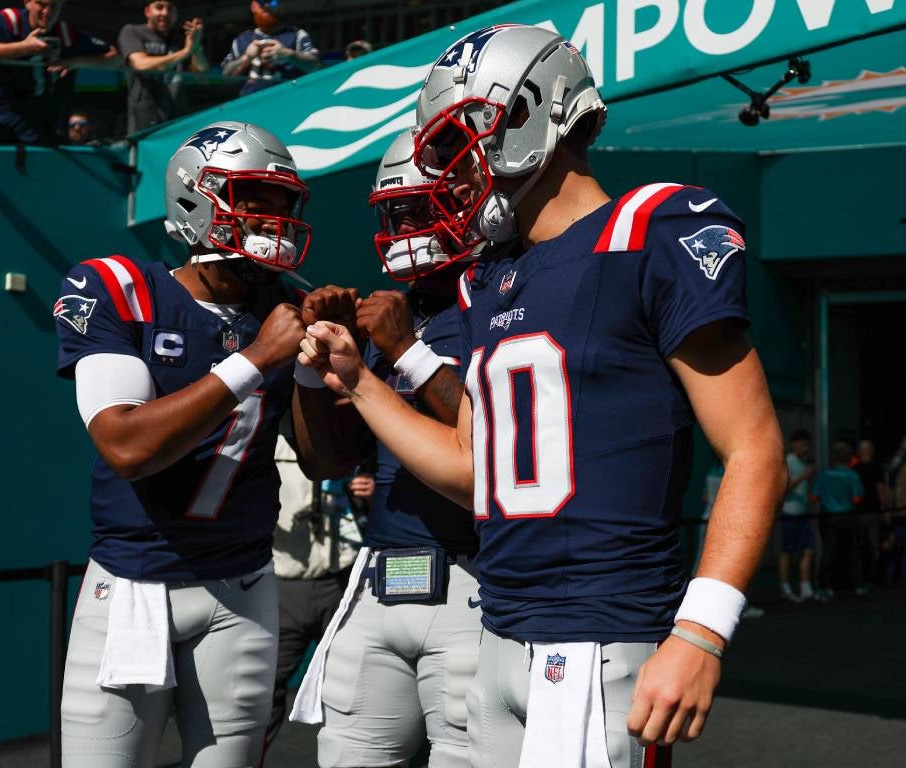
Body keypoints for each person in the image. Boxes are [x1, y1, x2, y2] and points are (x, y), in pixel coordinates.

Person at [297, 25, 786, 767]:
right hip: (500, 628)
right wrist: (361, 384)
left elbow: (754, 448)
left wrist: (700, 630)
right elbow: (473, 466)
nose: (448, 177)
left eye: (457, 145)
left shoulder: (650, 230)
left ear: (531, 115)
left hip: (602, 634)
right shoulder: (489, 278)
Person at [54, 120, 312, 767]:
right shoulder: (120, 288)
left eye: (282, 203)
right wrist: (254, 360)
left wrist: (313, 370)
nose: (272, 218)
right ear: (197, 198)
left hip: (243, 588)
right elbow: (126, 446)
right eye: (256, 198)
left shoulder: (285, 308)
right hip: (134, 583)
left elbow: (326, 460)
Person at [290, 129, 483, 768]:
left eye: (417, 210)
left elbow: (494, 445)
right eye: (393, 212)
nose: (402, 227)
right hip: (381, 570)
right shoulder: (392, 314)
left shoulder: (498, 299)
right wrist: (315, 369)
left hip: (475, 576)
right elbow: (326, 462)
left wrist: (406, 351)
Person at [266, 427, 364, 749]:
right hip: (281, 581)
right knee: (263, 694)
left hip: (341, 578)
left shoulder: (348, 429)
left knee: (353, 689)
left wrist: (368, 487)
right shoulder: (267, 434)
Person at [0, 0, 117, 145]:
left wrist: (74, 62)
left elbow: (114, 58)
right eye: (41, 4)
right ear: (27, 2)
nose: (47, 12)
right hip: (5, 124)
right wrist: (25, 47)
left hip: (50, 129)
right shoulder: (7, 19)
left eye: (54, 6)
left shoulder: (66, 32)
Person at [117, 0, 207, 134]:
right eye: (159, 7)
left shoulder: (181, 39)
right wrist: (186, 51)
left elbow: (202, 74)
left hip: (179, 121)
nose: (165, 13)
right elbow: (140, 64)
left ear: (175, 13)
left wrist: (196, 47)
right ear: (148, 11)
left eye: (170, 8)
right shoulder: (132, 31)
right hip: (144, 125)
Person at [222, 0, 319, 97]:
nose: (267, 6)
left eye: (273, 2)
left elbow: (316, 67)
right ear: (254, 7)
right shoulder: (242, 39)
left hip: (288, 101)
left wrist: (288, 54)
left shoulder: (297, 35)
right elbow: (225, 77)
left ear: (281, 7)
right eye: (262, 3)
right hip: (250, 104)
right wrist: (246, 57)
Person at [812, 440, 865, 598]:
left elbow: (814, 496)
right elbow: (857, 498)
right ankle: (858, 585)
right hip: (847, 517)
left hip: (828, 518)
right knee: (853, 552)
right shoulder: (852, 475)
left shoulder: (824, 475)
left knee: (828, 552)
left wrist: (828, 499)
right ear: (850, 458)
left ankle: (824, 587)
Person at [778, 429, 816, 602]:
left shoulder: (802, 462)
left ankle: (805, 587)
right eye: (803, 444)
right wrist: (803, 476)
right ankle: (785, 588)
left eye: (807, 445)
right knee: (787, 551)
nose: (806, 448)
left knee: (808, 549)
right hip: (790, 514)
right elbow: (784, 488)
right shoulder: (789, 461)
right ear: (794, 444)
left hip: (804, 514)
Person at [853, 438, 887, 591]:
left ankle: (864, 575)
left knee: (862, 545)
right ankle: (875, 576)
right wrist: (884, 509)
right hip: (873, 511)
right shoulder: (876, 468)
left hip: (859, 512)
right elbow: (880, 490)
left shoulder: (855, 469)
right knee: (874, 544)